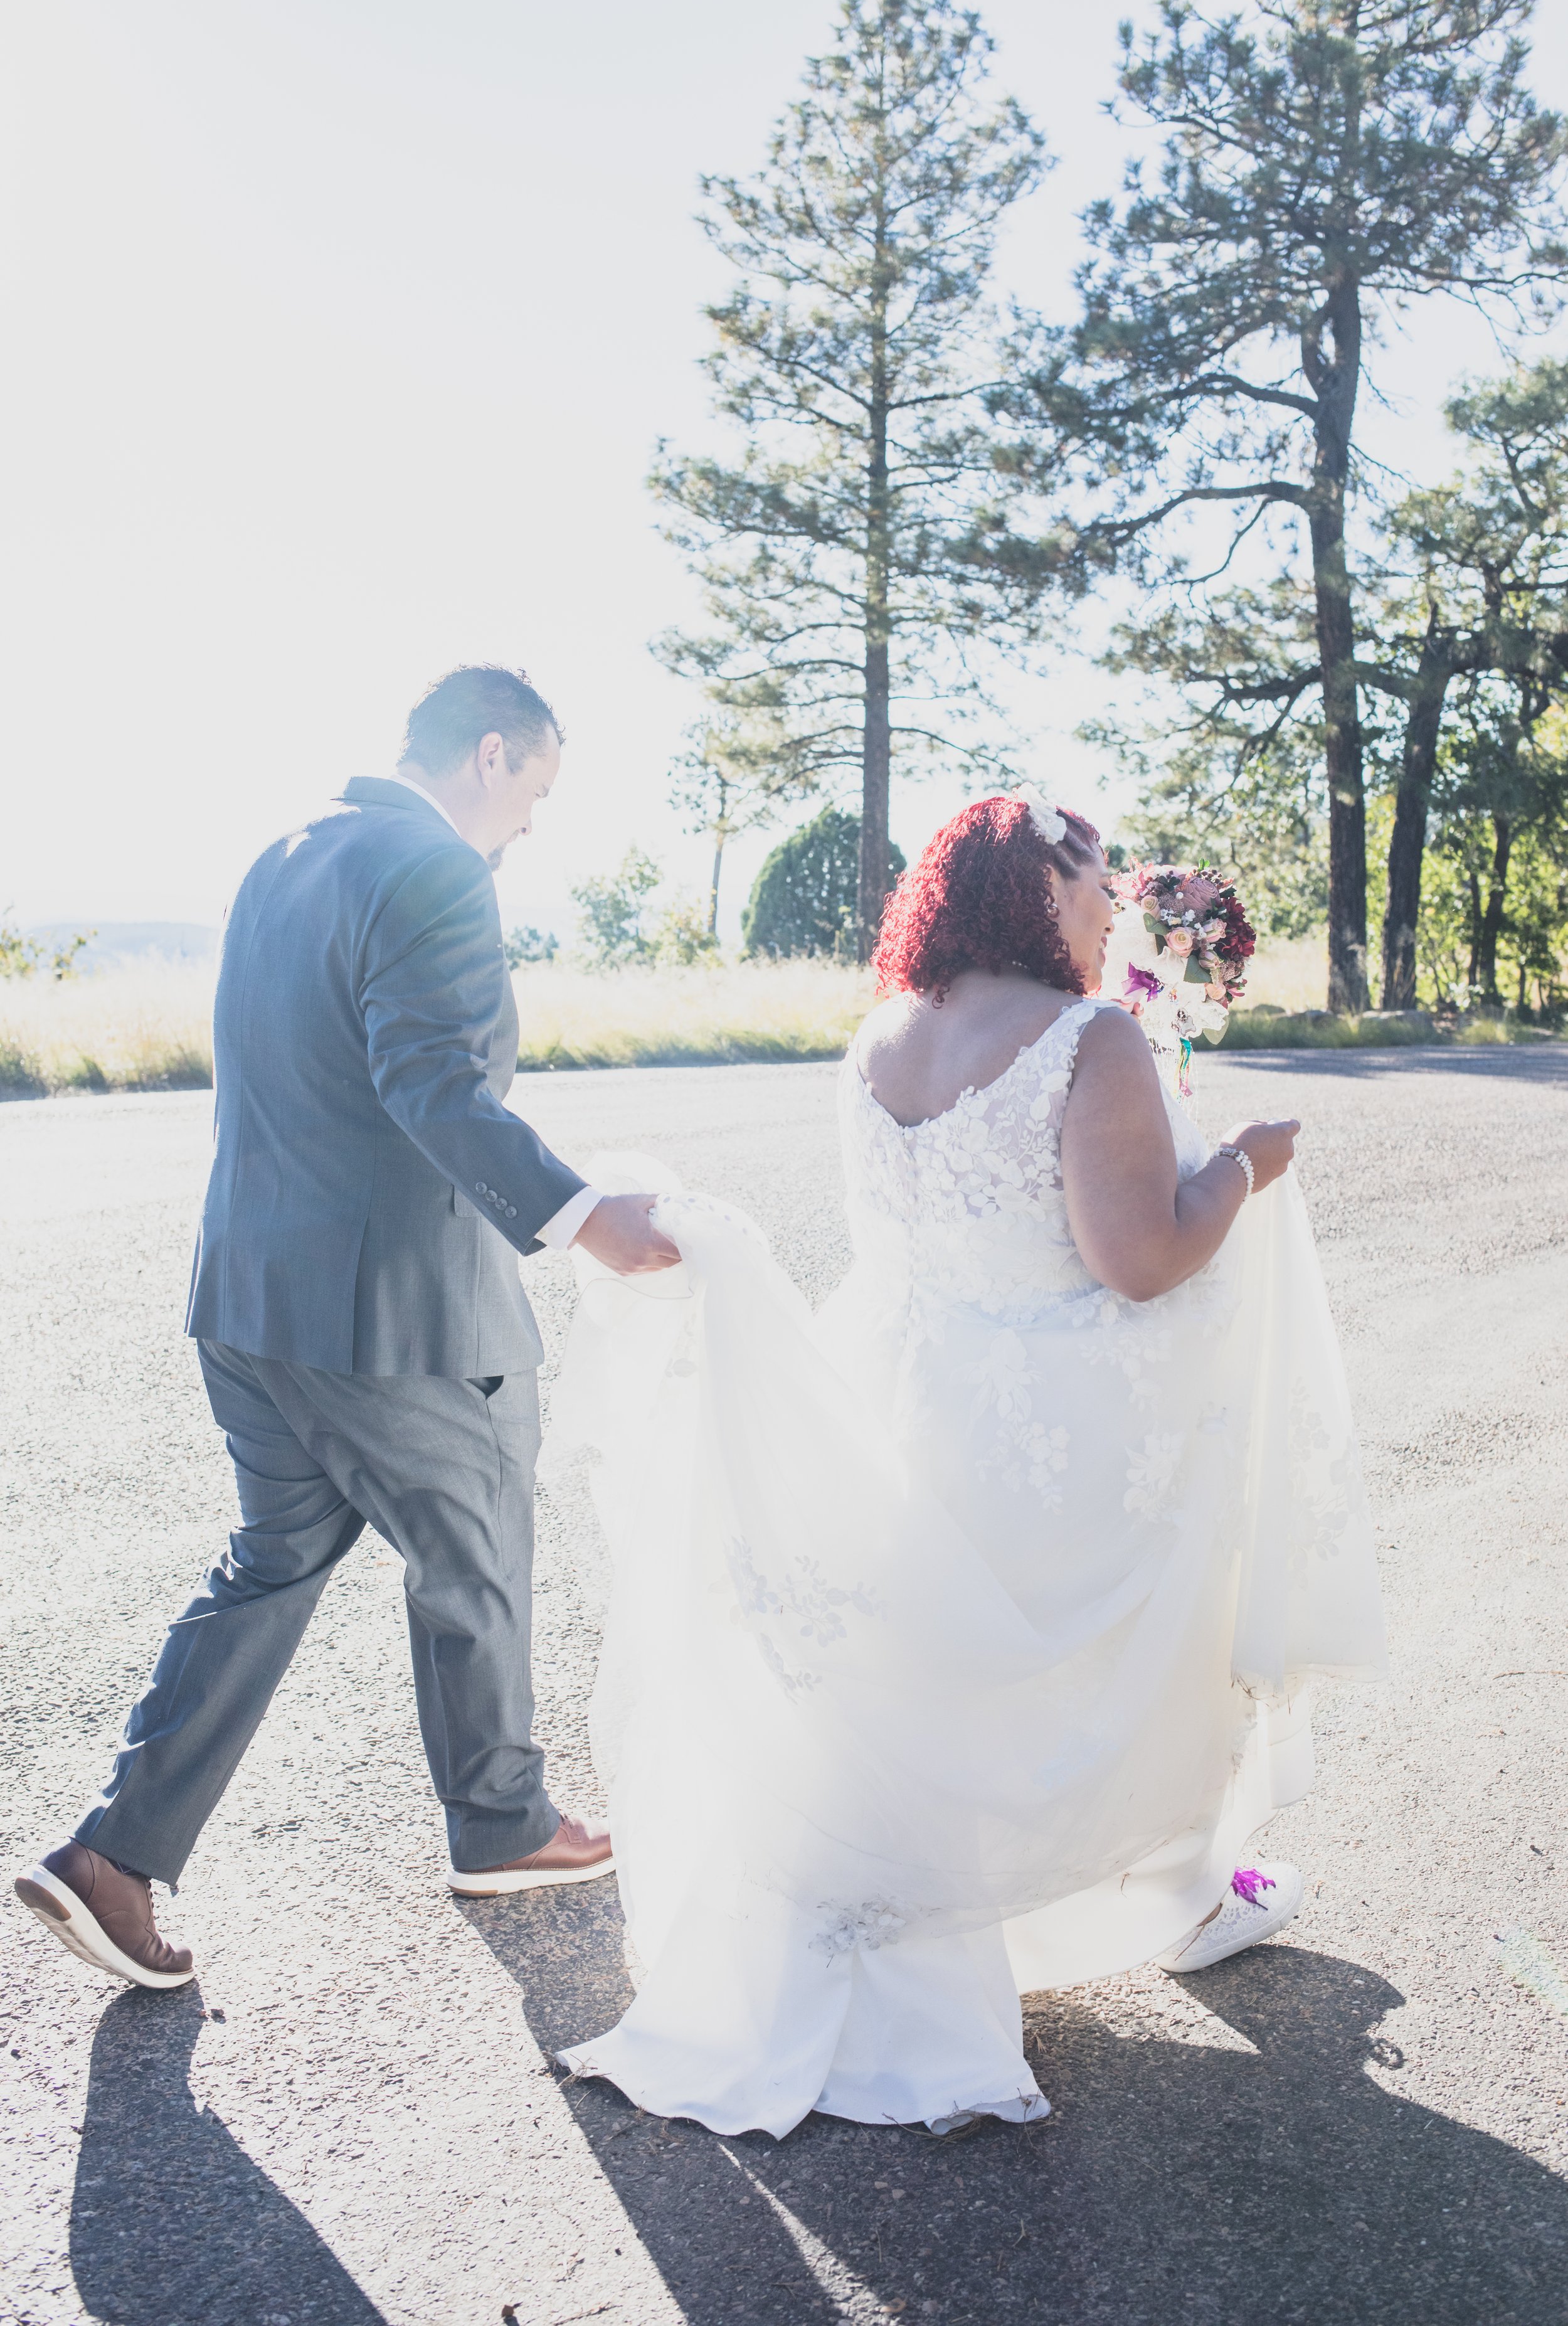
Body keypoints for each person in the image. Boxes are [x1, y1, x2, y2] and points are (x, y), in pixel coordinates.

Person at [546, 792, 1387, 2137]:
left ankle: (925, 1916)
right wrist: (1241, 1164)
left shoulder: (875, 1036)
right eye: (1089, 877)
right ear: (1030, 895)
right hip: (1047, 1426)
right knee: (1168, 1602)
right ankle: (1169, 1892)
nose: (1111, 899)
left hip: (889, 1391)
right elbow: (1139, 1260)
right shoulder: (1087, 1038)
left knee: (908, 1678)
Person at [14, 664, 677, 1990]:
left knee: (271, 1566)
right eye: (534, 793)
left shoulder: (282, 852)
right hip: (389, 1314)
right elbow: (428, 1081)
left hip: (249, 1297)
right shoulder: (431, 869)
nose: (531, 826)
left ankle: (112, 1858)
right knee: (478, 1531)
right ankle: (501, 1820)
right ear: (490, 755)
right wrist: (577, 1212)